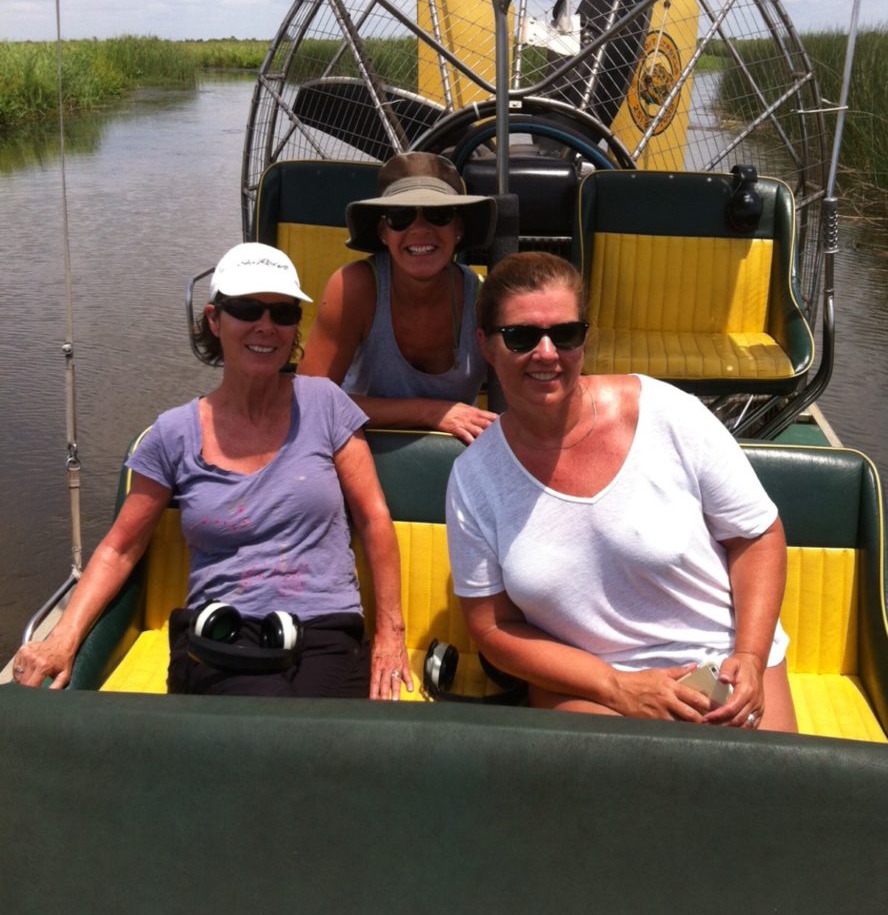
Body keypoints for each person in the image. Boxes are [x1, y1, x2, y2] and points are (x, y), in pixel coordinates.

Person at [12, 243, 413, 700]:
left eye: (282, 313)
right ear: (214, 319)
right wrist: (61, 639)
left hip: (325, 628)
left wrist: (390, 633)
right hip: (219, 629)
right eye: (247, 309)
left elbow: (373, 518)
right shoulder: (173, 434)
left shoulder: (325, 404)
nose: (266, 326)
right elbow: (120, 549)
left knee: (321, 740)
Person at [445, 251, 797, 732]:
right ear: (486, 345)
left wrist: (751, 656)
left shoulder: (670, 415)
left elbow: (756, 536)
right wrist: (616, 686)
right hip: (591, 683)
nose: (546, 352)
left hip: (721, 662)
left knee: (768, 797)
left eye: (565, 334)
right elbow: (492, 627)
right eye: (522, 336)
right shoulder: (474, 477)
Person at [299, 152, 498, 445]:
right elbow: (307, 402)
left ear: (459, 228)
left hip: (453, 459)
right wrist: (430, 412)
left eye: (438, 215)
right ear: (383, 232)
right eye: (400, 217)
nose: (419, 229)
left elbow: (524, 400)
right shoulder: (356, 286)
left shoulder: (485, 299)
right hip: (359, 448)